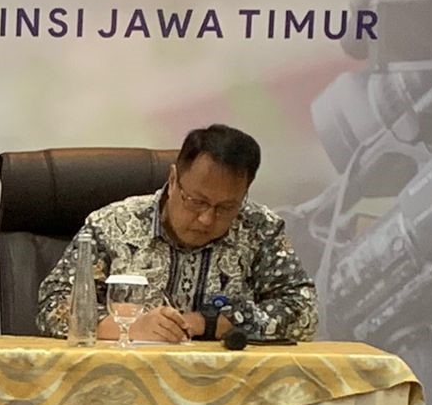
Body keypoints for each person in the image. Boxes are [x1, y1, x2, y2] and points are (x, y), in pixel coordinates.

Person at [36, 123, 318, 343]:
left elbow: (303, 311)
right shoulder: (111, 225)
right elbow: (53, 306)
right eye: (197, 201)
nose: (207, 219)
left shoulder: (259, 229)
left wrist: (210, 323)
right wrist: (131, 327)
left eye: (226, 207)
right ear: (173, 181)